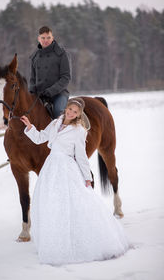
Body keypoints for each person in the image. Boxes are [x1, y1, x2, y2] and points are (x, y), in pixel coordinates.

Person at [20, 97, 130, 265]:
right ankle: (56, 236)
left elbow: (81, 155)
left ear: (79, 115)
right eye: (70, 109)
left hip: (66, 166)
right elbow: (40, 137)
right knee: (51, 201)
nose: (71, 113)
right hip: (51, 167)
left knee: (74, 201)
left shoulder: (79, 130)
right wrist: (29, 127)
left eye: (75, 112)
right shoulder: (56, 123)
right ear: (66, 109)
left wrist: (87, 177)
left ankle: (79, 236)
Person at [29, 26, 71, 118]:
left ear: (53, 38)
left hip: (58, 94)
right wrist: (31, 91)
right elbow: (32, 78)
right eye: (43, 38)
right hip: (39, 95)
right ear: (39, 39)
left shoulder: (61, 54)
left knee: (58, 112)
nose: (45, 40)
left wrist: (50, 91)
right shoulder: (34, 56)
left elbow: (66, 77)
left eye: (48, 37)